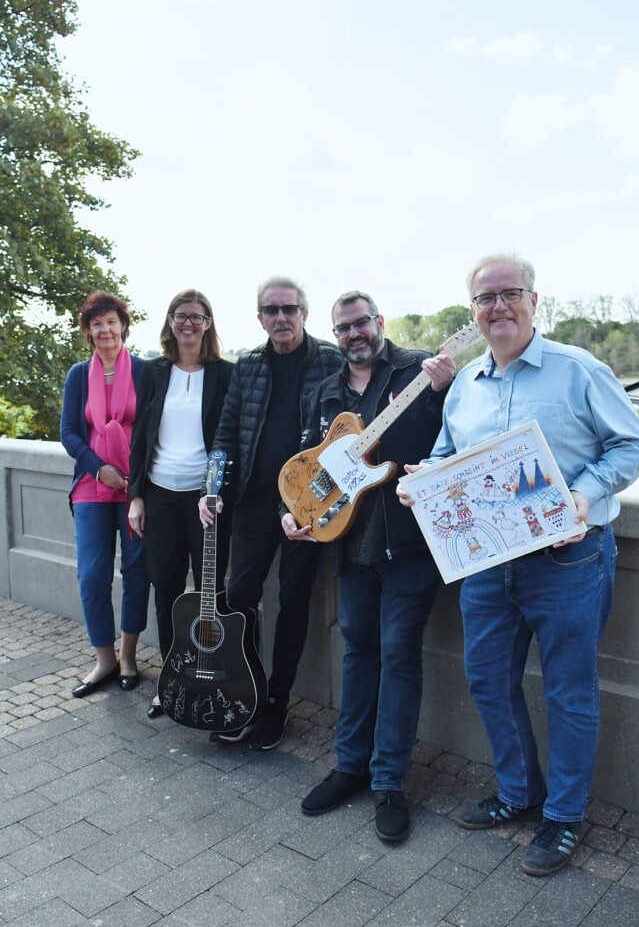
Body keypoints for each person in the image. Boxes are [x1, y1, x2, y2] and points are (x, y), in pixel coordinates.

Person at [398, 252, 639, 874]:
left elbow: (635, 446)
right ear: (474, 312)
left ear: (535, 301)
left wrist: (581, 495)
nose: (499, 306)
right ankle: (517, 794)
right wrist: (423, 481)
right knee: (488, 680)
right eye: (486, 298)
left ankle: (563, 818)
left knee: (569, 692)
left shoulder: (579, 370)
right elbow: (446, 452)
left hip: (566, 563)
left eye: (511, 293)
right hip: (487, 565)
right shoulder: (464, 383)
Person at [286, 290, 454, 843]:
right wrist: (297, 515)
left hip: (408, 544)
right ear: (334, 334)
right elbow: (314, 464)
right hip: (352, 547)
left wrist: (446, 388)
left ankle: (388, 782)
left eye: (361, 324)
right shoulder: (326, 390)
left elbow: (456, 441)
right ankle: (349, 767)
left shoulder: (418, 371)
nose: (353, 335)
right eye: (343, 328)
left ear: (379, 323)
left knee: (399, 658)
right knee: (358, 652)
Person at [199, 277, 343, 748]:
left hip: (308, 505)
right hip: (255, 504)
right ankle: (246, 695)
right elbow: (225, 432)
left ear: (304, 312)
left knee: (295, 605)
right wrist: (212, 487)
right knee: (239, 601)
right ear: (260, 317)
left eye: (289, 309)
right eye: (271, 310)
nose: (281, 318)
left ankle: (278, 703)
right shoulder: (250, 365)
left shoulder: (330, 360)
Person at [128, 289, 233, 718]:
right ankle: (172, 679)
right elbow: (140, 437)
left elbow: (232, 438)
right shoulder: (153, 372)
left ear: (208, 323)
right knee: (166, 589)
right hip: (160, 495)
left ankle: (216, 676)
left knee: (213, 590)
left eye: (197, 316)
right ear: (170, 322)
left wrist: (222, 490)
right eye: (180, 315)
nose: (188, 323)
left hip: (205, 499)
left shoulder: (226, 374)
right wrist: (136, 495)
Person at [61, 291, 150, 698]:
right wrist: (100, 468)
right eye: (96, 323)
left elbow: (155, 430)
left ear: (123, 325)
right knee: (92, 574)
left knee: (136, 572)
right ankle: (105, 659)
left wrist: (137, 483)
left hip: (136, 487)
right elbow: (69, 433)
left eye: (111, 321)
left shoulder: (146, 372)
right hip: (93, 486)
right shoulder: (79, 375)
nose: (104, 329)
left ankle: (129, 656)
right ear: (88, 331)